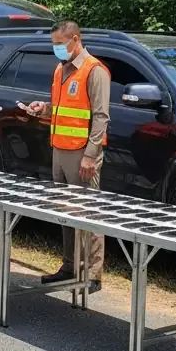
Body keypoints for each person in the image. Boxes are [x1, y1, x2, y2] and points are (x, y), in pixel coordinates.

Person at [25, 21, 111, 294]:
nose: (56, 49)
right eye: (54, 45)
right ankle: (69, 266)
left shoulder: (94, 71)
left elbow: (100, 117)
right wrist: (44, 109)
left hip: (81, 154)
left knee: (87, 211)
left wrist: (90, 155)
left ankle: (93, 273)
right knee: (66, 212)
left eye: (60, 44)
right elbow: (63, 109)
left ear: (75, 39)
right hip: (59, 150)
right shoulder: (60, 69)